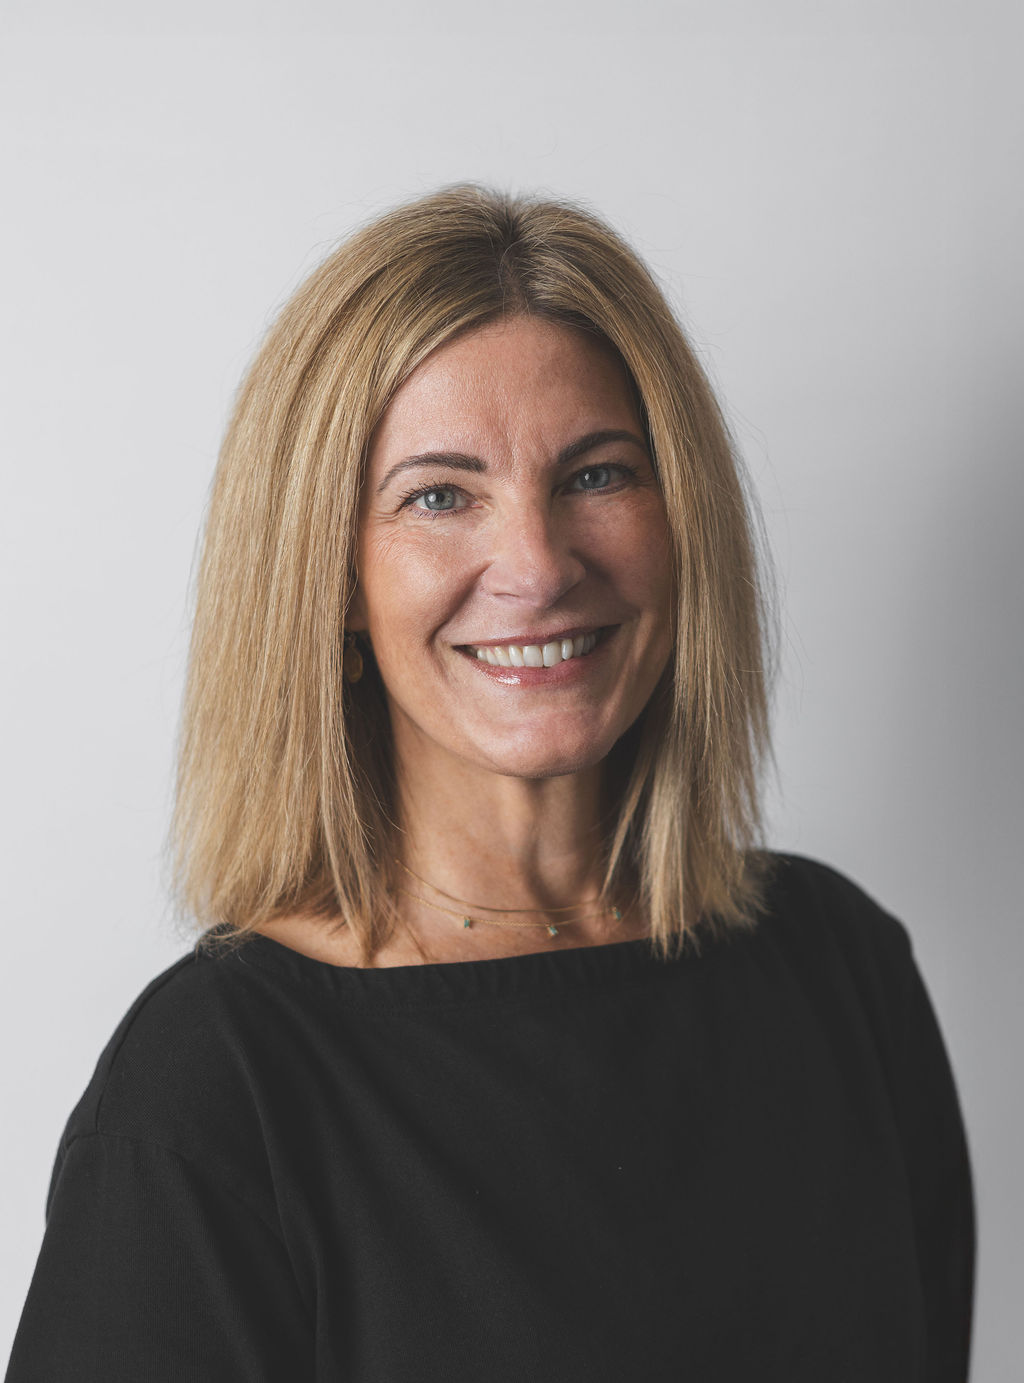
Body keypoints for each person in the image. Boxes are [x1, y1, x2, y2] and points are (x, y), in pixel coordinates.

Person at [6, 185, 975, 1381]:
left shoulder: (841, 969)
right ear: (331, 586)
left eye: (597, 475)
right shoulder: (213, 1091)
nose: (535, 565)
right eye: (439, 495)